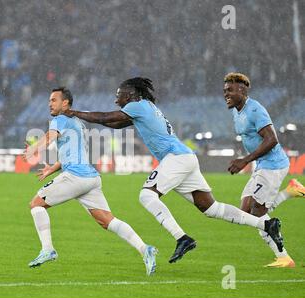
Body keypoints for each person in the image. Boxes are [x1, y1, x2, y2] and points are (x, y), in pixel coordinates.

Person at [63, 77, 285, 264]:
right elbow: (113, 123)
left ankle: (182, 238)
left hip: (176, 158)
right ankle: (266, 224)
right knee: (211, 208)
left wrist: (74, 112)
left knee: (146, 195)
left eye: (118, 95)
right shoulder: (145, 108)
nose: (116, 99)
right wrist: (86, 119)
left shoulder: (137, 106)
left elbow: (106, 117)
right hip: (185, 158)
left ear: (130, 95)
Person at [23, 87, 157, 275]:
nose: (49, 104)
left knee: (36, 205)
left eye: (53, 100)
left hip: (76, 177)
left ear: (65, 103)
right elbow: (73, 153)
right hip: (91, 179)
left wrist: (33, 149)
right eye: (49, 100)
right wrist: (52, 169)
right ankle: (145, 249)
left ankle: (48, 250)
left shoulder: (59, 120)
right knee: (107, 221)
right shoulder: (78, 123)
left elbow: (48, 137)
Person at [224, 72, 304, 268]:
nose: (226, 94)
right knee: (245, 212)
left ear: (242, 90)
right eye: (225, 90)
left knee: (256, 215)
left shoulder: (255, 110)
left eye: (230, 90)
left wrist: (245, 160)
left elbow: (272, 139)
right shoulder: (237, 109)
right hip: (262, 165)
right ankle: (290, 191)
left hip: (273, 165)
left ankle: (284, 258)